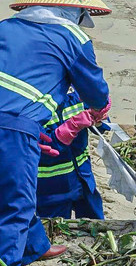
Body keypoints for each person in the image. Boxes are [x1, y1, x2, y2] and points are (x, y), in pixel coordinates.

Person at [0, 0, 112, 266]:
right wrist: (100, 109)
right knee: (12, 203)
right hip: (12, 122)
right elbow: (94, 89)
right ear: (73, 12)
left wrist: (29, 127)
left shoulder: (3, 26)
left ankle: (35, 246)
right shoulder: (72, 35)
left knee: (13, 184)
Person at [37, 90, 105, 219]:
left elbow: (99, 127)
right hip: (52, 188)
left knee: (96, 225)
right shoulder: (34, 106)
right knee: (55, 231)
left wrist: (100, 114)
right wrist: (70, 128)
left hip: (84, 180)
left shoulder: (78, 94)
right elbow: (42, 148)